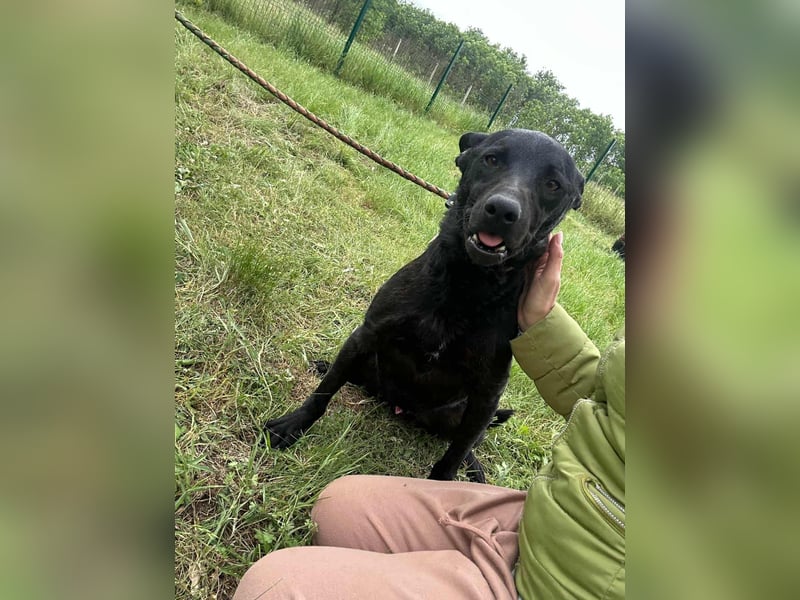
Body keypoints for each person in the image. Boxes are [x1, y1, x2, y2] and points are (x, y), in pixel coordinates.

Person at [233, 231, 625, 599]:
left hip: (575, 584)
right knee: (335, 507)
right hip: (546, 516)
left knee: (272, 589)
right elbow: (614, 400)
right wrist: (541, 321)